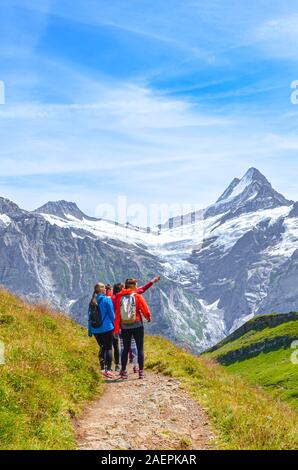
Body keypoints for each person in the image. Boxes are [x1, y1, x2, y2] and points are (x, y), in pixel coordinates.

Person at [114, 278, 151, 380]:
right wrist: (148, 317)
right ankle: (141, 372)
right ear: (133, 286)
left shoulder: (119, 297)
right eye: (136, 285)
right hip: (137, 325)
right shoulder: (137, 296)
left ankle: (124, 371)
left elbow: (117, 314)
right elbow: (144, 309)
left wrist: (116, 328)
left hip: (124, 326)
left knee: (125, 349)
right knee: (140, 348)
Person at [88, 282, 115, 379]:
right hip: (107, 328)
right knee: (108, 348)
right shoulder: (106, 300)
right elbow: (112, 315)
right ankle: (108, 370)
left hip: (95, 330)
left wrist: (90, 331)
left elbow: (89, 317)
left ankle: (102, 368)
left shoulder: (92, 301)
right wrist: (115, 327)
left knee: (102, 347)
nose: (105, 289)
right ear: (102, 289)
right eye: (104, 287)